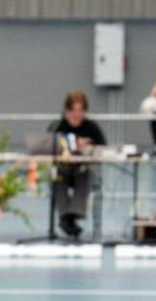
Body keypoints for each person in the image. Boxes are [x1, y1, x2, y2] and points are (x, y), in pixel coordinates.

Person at [51, 90, 107, 238]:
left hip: (82, 169)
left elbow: (103, 147)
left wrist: (88, 147)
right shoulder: (58, 126)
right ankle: (65, 216)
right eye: (74, 110)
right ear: (67, 110)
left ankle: (72, 215)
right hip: (63, 169)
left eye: (80, 110)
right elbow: (50, 146)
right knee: (55, 176)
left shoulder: (91, 127)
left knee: (86, 173)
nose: (77, 114)